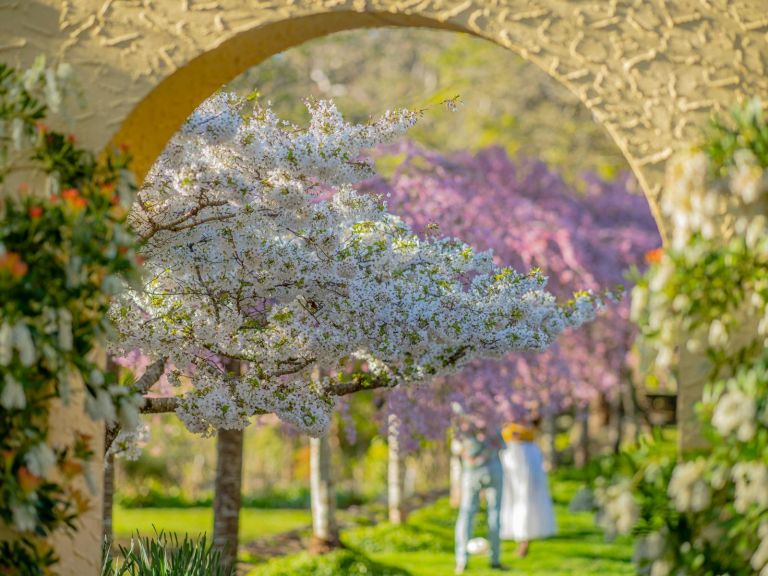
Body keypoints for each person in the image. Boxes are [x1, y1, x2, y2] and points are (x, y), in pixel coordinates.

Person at [454, 415, 507, 574]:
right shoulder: (492, 419)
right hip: (492, 469)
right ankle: (495, 559)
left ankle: (461, 560)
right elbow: (502, 445)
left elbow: (459, 450)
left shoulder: (463, 423)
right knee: (494, 513)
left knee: (467, 514)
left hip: (472, 473)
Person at [499, 418, 557, 557]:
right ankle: (513, 534)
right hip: (509, 455)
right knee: (509, 497)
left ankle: (524, 539)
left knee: (526, 497)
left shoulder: (528, 409)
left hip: (526, 456)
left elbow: (536, 422)